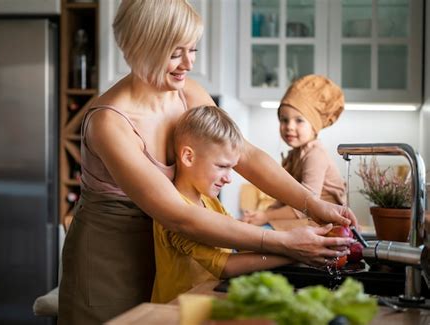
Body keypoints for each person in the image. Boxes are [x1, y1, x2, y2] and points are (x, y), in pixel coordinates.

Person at [58, 1, 356, 324]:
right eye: (176, 52)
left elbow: (245, 154)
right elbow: (180, 216)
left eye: (193, 49)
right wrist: (284, 242)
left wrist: (311, 204)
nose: (189, 62)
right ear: (143, 45)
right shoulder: (109, 123)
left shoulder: (187, 93)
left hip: (171, 260)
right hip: (110, 266)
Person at [152, 105, 293, 303]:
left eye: (231, 168)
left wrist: (290, 243)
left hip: (206, 302)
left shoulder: (209, 199)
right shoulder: (172, 210)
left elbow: (237, 242)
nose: (228, 179)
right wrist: (294, 252)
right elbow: (225, 265)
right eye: (221, 166)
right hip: (176, 314)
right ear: (188, 157)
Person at [242, 75, 347, 227]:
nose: (289, 126)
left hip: (322, 225)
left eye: (299, 120)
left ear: (314, 126)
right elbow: (284, 198)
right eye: (284, 120)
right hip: (302, 221)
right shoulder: (294, 156)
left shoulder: (315, 155)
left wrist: (266, 216)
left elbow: (305, 206)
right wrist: (259, 216)